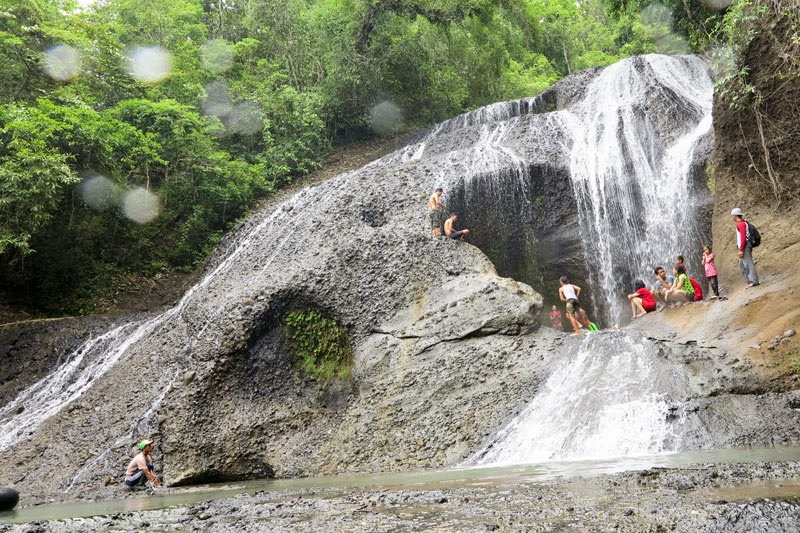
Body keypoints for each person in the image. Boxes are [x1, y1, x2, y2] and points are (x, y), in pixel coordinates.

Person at [731, 208, 759, 287]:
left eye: (732, 216)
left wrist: (741, 249)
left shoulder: (741, 224)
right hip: (744, 245)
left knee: (748, 263)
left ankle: (754, 281)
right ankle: (749, 280)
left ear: (735, 215)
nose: (732, 217)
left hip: (745, 245)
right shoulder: (742, 223)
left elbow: (743, 237)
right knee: (742, 265)